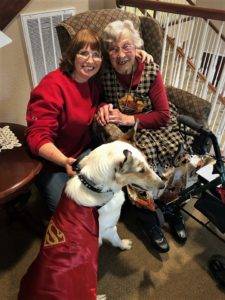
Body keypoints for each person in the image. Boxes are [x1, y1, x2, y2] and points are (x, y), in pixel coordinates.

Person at [26, 27, 151, 214]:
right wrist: (63, 161)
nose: (90, 60)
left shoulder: (93, 80)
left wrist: (102, 106)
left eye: (96, 54)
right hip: (53, 162)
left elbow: (120, 58)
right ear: (72, 56)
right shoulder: (51, 86)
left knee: (104, 198)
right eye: (83, 53)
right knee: (66, 211)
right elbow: (37, 136)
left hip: (83, 151)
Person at [96, 20, 190, 253]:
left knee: (180, 161)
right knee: (138, 172)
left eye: (127, 47)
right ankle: (150, 223)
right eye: (114, 49)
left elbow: (164, 115)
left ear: (136, 48)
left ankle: (173, 209)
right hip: (131, 134)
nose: (120, 55)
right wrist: (102, 107)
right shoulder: (103, 71)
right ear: (107, 52)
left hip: (156, 124)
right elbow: (95, 98)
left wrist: (131, 119)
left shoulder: (150, 69)